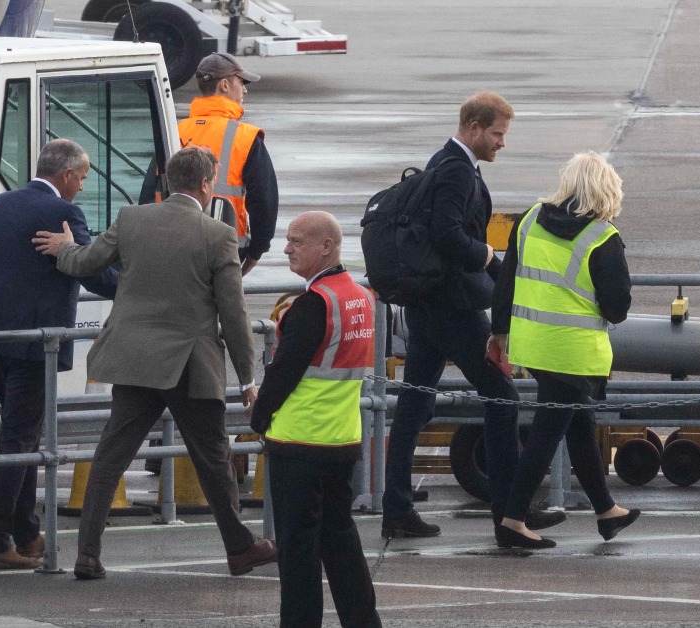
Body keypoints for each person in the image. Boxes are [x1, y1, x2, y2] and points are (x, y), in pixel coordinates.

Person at [32, 147, 276, 580]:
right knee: (214, 459)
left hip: (134, 360)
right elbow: (234, 315)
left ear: (166, 183)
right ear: (205, 185)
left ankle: (87, 552)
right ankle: (239, 548)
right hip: (190, 365)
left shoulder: (132, 219)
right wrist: (247, 378)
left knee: (111, 456)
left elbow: (87, 262)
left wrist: (64, 249)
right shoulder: (217, 234)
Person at [381, 92, 565, 538]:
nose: (502, 143)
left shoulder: (442, 160)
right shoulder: (459, 171)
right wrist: (487, 255)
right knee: (503, 399)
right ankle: (509, 511)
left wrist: (496, 268)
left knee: (414, 405)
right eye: (498, 134)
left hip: (426, 305)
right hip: (452, 308)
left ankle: (397, 510)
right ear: (474, 128)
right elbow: (448, 235)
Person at [0, 138, 117, 569]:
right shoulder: (63, 213)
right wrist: (139, 285)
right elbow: (93, 273)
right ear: (66, 175)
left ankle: (27, 532)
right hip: (34, 348)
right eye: (82, 176)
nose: (82, 185)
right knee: (19, 441)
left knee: (24, 438)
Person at [488, 151, 640, 549]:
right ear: (605, 190)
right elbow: (617, 308)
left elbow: (507, 280)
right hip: (573, 352)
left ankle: (607, 512)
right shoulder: (603, 236)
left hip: (532, 345)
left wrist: (498, 332)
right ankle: (512, 520)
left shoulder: (529, 220)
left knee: (577, 426)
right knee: (546, 433)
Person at [250, 211, 383, 628]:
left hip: (299, 443)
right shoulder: (361, 297)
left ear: (326, 247)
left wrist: (258, 416)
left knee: (298, 554)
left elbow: (283, 372)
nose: (286, 248)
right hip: (341, 440)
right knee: (341, 543)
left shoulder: (313, 304)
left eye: (297, 241)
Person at [178, 51, 279, 276]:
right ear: (224, 85)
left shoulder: (173, 130)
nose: (245, 89)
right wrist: (256, 251)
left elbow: (149, 192)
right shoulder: (245, 137)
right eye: (241, 82)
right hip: (225, 251)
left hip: (172, 247)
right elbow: (264, 201)